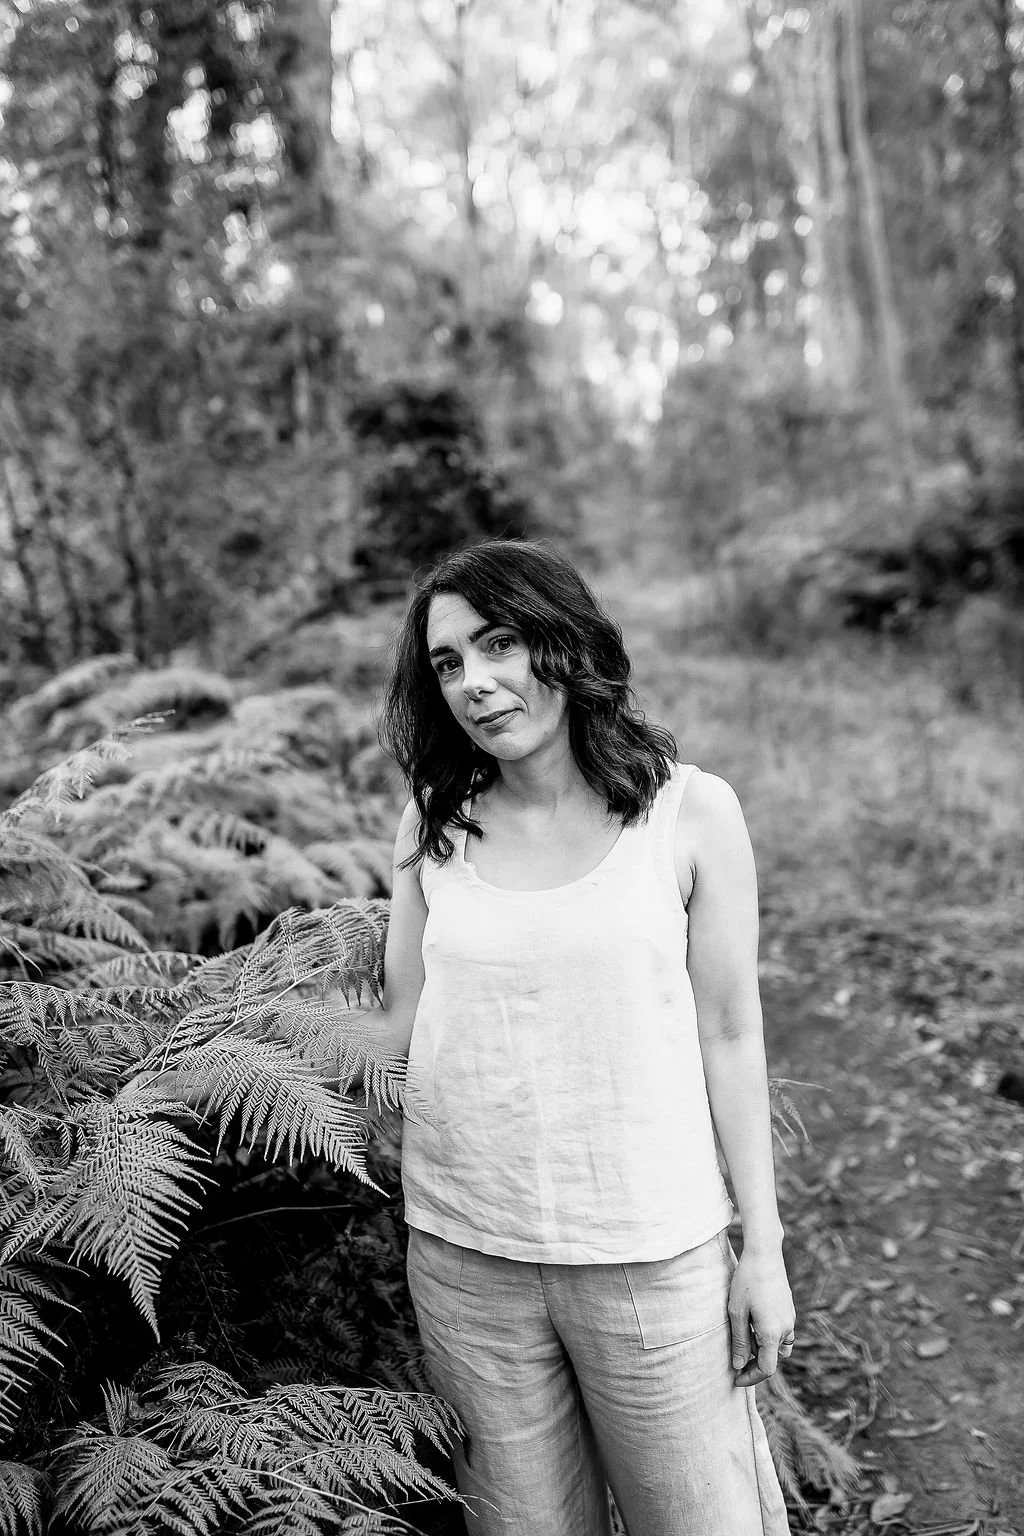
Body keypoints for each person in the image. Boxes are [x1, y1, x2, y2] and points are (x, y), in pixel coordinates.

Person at [370, 538, 795, 1536]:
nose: (474, 683)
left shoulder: (689, 813)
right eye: (447, 664)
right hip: (466, 1256)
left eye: (499, 644)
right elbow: (399, 1027)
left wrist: (763, 1250)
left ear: (564, 643)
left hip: (649, 1253)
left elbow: (732, 1034)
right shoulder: (432, 825)